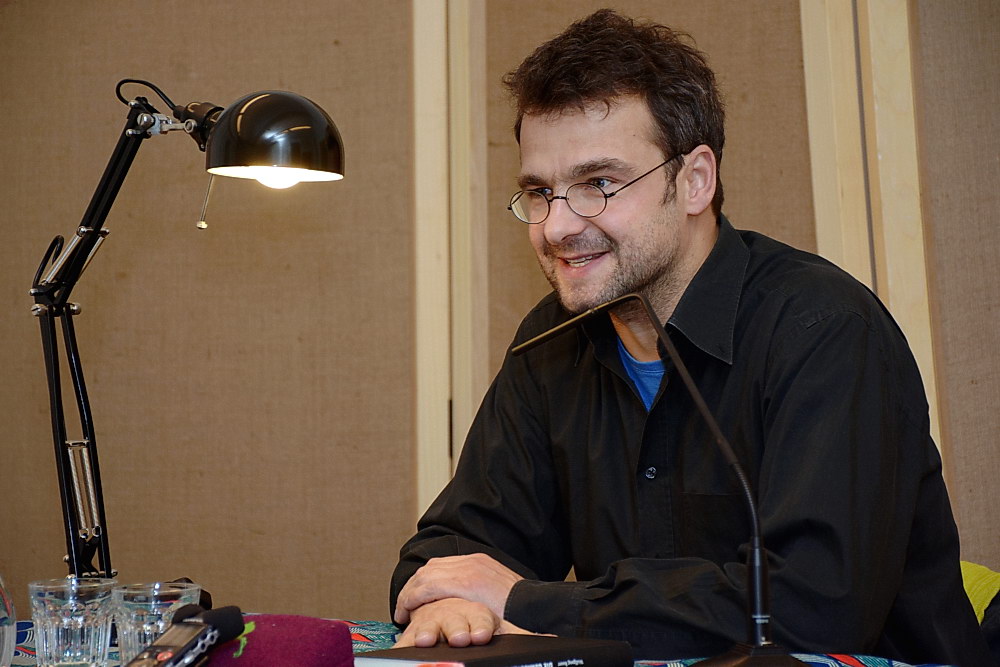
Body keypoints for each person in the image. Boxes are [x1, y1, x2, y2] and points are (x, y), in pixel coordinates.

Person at [389, 9, 992, 665]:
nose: (557, 227)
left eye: (598, 184)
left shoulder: (826, 329)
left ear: (695, 180)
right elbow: (448, 555)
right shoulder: (552, 340)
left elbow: (812, 610)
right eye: (539, 191)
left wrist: (525, 602)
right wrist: (449, 604)